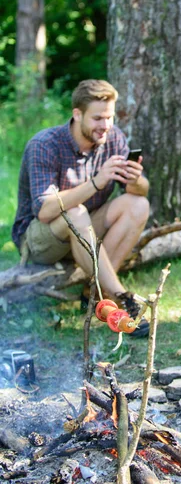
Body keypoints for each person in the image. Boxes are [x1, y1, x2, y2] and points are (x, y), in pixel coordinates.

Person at [12, 79, 151, 337]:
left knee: (138, 204)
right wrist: (96, 182)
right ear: (77, 114)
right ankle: (119, 296)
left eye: (109, 117)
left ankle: (93, 293)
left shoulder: (112, 138)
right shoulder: (44, 144)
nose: (106, 125)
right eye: (98, 118)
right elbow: (44, 210)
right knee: (75, 211)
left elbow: (139, 191)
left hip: (85, 234)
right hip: (41, 239)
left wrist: (136, 179)